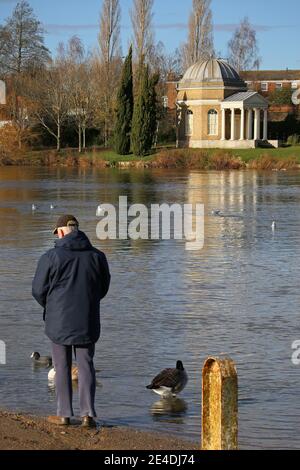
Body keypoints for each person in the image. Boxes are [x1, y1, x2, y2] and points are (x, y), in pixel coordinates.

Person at [32, 215, 110, 427]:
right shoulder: (98, 256)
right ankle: (88, 415)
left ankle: (64, 414)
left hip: (58, 320)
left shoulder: (50, 257)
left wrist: (51, 306)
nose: (56, 236)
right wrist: (89, 303)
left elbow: (38, 290)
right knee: (86, 365)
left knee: (61, 366)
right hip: (87, 319)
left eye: (56, 232)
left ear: (62, 231)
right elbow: (103, 288)